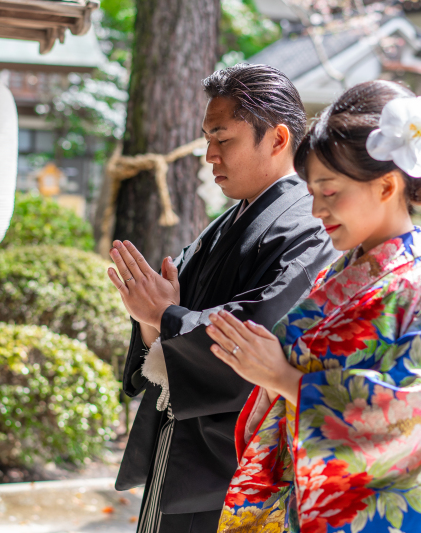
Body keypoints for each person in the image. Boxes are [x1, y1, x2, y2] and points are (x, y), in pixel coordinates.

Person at [206, 80, 421, 533]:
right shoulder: (338, 275)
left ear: (386, 186)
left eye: (329, 190)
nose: (317, 208)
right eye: (313, 190)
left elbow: (417, 411)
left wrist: (284, 379)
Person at [106, 64, 339, 533]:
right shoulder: (233, 218)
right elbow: (171, 318)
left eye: (223, 138)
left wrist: (164, 315)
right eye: (207, 139)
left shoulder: (306, 227)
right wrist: (151, 318)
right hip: (184, 449)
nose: (209, 154)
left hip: (234, 465)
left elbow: (259, 327)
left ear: (276, 139)